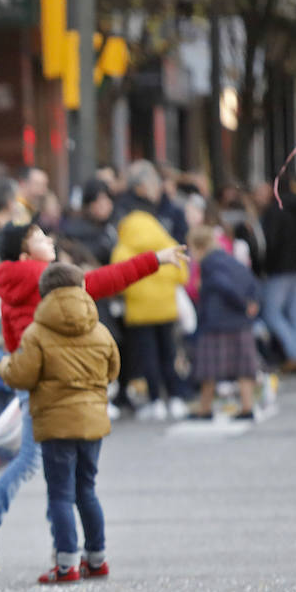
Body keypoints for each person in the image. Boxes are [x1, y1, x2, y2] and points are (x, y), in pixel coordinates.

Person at [0, 221, 177, 573]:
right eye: (41, 238)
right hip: (53, 385)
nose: (51, 240)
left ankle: (63, 551)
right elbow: (107, 280)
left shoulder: (12, 281)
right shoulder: (46, 280)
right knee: (43, 467)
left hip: (34, 380)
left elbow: (14, 341)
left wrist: (12, 370)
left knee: (55, 475)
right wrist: (156, 260)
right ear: (27, 254)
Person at [0, 263, 119, 583]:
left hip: (55, 424)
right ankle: (97, 558)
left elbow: (22, 375)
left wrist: (4, 365)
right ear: (81, 288)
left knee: (61, 494)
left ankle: (66, 563)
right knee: (87, 490)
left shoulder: (36, 333)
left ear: (44, 294)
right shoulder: (100, 329)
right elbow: (113, 369)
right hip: (93, 422)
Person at [113, 163, 192, 419]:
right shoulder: (164, 240)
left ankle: (155, 400)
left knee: (147, 356)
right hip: (165, 305)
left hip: (138, 310)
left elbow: (117, 275)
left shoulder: (124, 244)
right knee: (169, 352)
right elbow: (182, 270)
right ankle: (177, 397)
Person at [187, 227, 260, 420]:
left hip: (218, 322)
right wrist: (250, 302)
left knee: (208, 369)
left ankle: (205, 408)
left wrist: (240, 303)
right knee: (244, 367)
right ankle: (247, 407)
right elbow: (251, 279)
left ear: (199, 247)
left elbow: (222, 284)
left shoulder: (209, 263)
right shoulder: (230, 259)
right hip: (240, 322)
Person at [259, 183, 296, 373]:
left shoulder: (276, 211)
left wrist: (266, 265)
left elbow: (271, 241)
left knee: (271, 313)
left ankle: (294, 353)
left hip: (280, 269)